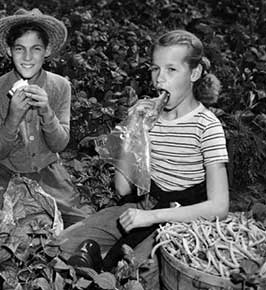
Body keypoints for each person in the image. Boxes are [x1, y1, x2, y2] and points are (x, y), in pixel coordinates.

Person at [58, 29, 229, 271]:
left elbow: (219, 207)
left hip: (183, 218)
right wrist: (134, 128)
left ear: (195, 73)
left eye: (171, 70)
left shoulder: (207, 127)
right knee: (61, 245)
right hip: (144, 206)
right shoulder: (150, 118)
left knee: (132, 272)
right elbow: (123, 188)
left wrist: (151, 218)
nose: (159, 79)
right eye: (155, 69)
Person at [0, 8, 89, 227]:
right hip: (7, 171)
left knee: (78, 225)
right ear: (10, 51)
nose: (28, 57)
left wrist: (46, 111)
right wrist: (13, 117)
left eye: (36, 49)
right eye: (20, 49)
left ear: (47, 50)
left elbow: (59, 144)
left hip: (48, 172)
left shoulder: (60, 86)